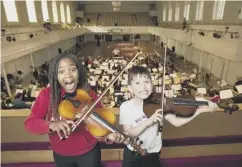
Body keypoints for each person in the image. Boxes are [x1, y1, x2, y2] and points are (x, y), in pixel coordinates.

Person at [24, 53, 128, 167]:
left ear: (79, 72)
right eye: (61, 71)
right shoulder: (46, 95)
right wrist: (51, 125)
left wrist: (108, 135)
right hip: (61, 153)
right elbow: (30, 124)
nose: (68, 75)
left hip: (89, 152)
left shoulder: (89, 94)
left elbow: (100, 122)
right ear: (55, 76)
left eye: (72, 69)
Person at [119, 66, 217, 167]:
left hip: (153, 154)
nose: (143, 87)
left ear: (152, 84)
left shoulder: (159, 103)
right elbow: (129, 133)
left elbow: (176, 122)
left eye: (147, 82)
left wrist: (198, 111)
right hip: (132, 155)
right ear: (130, 88)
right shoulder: (126, 107)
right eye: (137, 83)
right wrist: (148, 122)